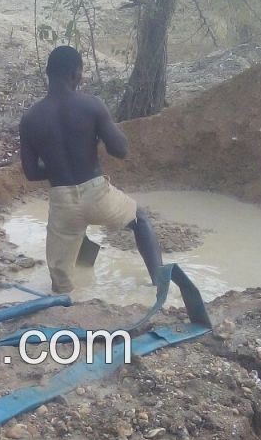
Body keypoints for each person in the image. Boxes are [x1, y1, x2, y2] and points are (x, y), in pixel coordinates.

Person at [19, 46, 162, 295]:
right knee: (141, 220)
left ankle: (68, 306)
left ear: (48, 74)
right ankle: (161, 285)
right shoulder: (91, 105)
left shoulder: (30, 118)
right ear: (76, 73)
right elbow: (121, 150)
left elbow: (30, 172)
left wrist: (58, 168)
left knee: (61, 286)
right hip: (96, 194)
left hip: (62, 202)